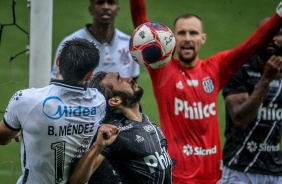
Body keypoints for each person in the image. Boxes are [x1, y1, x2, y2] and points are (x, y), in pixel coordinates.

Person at [129, 0, 282, 183]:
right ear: (172, 40)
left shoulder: (217, 67)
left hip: (213, 177)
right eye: (182, 33)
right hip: (178, 177)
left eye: (193, 33)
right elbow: (141, 22)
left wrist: (280, 14)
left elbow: (255, 43)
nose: (187, 38)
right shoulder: (163, 70)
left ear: (203, 39)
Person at [0, 38, 119, 184]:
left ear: (58, 61)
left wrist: (15, 129)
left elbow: (2, 137)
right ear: (89, 75)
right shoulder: (98, 101)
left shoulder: (26, 100)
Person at [70, 71, 173, 184]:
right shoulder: (114, 131)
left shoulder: (143, 118)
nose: (128, 79)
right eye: (119, 79)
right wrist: (97, 146)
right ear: (115, 100)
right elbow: (77, 181)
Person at [221, 18, 282, 183]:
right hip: (238, 169)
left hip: (275, 172)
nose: (272, 38)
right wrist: (266, 80)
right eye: (267, 33)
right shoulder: (239, 69)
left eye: (278, 34)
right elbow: (240, 120)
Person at [51, 0, 140, 82]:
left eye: (111, 2)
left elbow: (132, 83)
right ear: (91, 10)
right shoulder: (71, 44)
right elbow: (57, 81)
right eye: (100, 2)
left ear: (117, 10)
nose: (106, 7)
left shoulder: (129, 44)